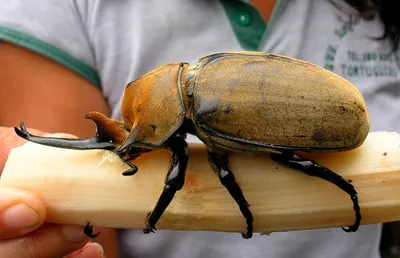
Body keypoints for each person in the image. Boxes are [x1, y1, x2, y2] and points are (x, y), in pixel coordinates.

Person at [0, 0, 399, 257]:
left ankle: (342, 187)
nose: (133, 149)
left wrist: (236, 214)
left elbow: (202, 179)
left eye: (137, 139)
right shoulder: (201, 68)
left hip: (331, 120)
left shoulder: (206, 114)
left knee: (293, 162)